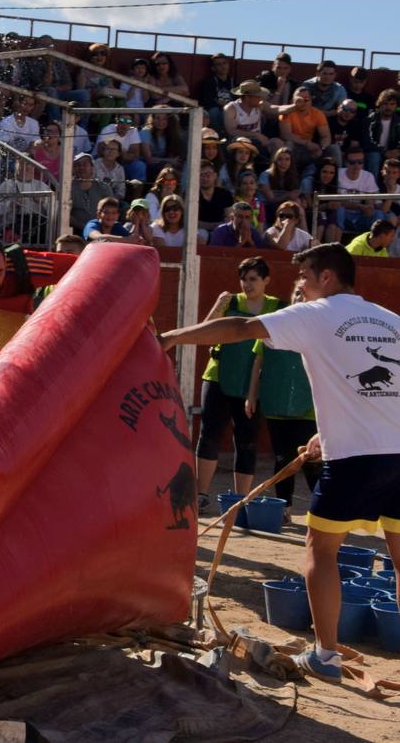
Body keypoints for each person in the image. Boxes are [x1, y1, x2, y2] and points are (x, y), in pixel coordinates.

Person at [159, 243, 400, 680]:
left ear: (326, 277)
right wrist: (327, 433)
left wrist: (174, 337)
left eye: (303, 276)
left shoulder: (315, 313)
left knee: (321, 549)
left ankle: (325, 655)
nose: (298, 286)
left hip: (355, 460)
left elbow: (241, 327)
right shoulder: (391, 321)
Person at [190, 256, 282, 507]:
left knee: (246, 439)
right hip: (218, 376)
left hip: (252, 383)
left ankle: (241, 500)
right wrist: (218, 306)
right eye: (243, 279)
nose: (247, 284)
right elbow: (205, 333)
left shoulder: (277, 307)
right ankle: (201, 494)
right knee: (209, 434)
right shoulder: (229, 302)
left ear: (266, 280)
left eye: (253, 279)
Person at [244, 279, 323, 520]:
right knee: (282, 458)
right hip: (278, 403)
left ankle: (324, 511)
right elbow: (258, 361)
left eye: (304, 294)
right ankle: (284, 509)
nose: (300, 298)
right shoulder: (274, 325)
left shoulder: (321, 328)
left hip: (308, 407)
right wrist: (251, 395)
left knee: (310, 459)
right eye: (296, 293)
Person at [279, 86, 331, 171]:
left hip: (310, 149)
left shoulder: (318, 114)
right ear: (292, 101)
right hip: (294, 146)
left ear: (311, 100)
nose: (303, 102)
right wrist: (306, 143)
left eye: (306, 99)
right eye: (299, 100)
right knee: (289, 145)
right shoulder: (286, 112)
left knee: (333, 149)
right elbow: (286, 135)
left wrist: (322, 148)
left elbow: (326, 136)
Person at [336, 145, 380, 235]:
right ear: (346, 163)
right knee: (339, 209)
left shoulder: (368, 176)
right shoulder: (338, 174)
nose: (356, 166)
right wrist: (360, 206)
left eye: (360, 162)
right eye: (352, 162)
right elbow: (337, 203)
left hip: (360, 216)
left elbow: (370, 203)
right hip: (342, 216)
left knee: (379, 215)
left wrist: (368, 208)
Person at [223, 80, 273, 157]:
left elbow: (276, 109)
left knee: (277, 143)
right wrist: (255, 135)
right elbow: (231, 131)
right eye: (257, 96)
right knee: (255, 143)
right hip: (239, 142)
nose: (260, 99)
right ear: (247, 97)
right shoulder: (231, 108)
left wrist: (295, 106)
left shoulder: (260, 105)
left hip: (259, 140)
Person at [196, 161, 236, 242]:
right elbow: (189, 221)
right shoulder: (191, 195)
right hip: (198, 231)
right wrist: (213, 225)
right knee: (201, 234)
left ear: (215, 176)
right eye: (201, 175)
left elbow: (230, 218)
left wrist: (218, 226)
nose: (204, 178)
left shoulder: (225, 194)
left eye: (208, 174)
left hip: (220, 229)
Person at [199, 52, 236, 132]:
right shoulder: (209, 83)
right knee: (214, 111)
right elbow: (210, 102)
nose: (223, 66)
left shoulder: (234, 82)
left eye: (224, 63)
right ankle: (218, 136)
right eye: (219, 64)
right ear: (213, 68)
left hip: (231, 111)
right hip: (218, 112)